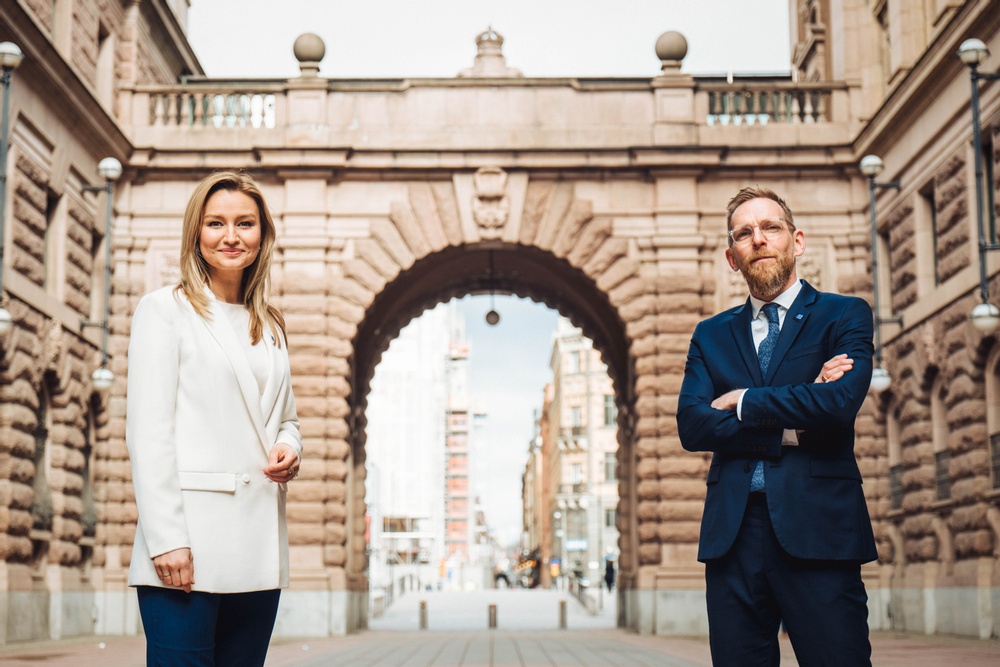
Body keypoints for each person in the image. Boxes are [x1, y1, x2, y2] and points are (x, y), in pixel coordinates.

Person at [676, 186, 877, 666]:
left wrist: (745, 401)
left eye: (771, 228)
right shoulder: (710, 334)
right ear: (732, 257)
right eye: (744, 233)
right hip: (733, 537)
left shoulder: (844, 314)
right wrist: (790, 423)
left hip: (820, 530)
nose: (758, 239)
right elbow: (692, 425)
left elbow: (839, 404)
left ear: (797, 241)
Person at [126, 170, 302, 666]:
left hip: (258, 551)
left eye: (245, 223)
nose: (231, 236)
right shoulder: (164, 311)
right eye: (216, 223)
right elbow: (149, 432)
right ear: (195, 233)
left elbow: (285, 418)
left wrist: (291, 448)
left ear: (262, 234)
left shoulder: (269, 324)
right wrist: (167, 541)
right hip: (189, 547)